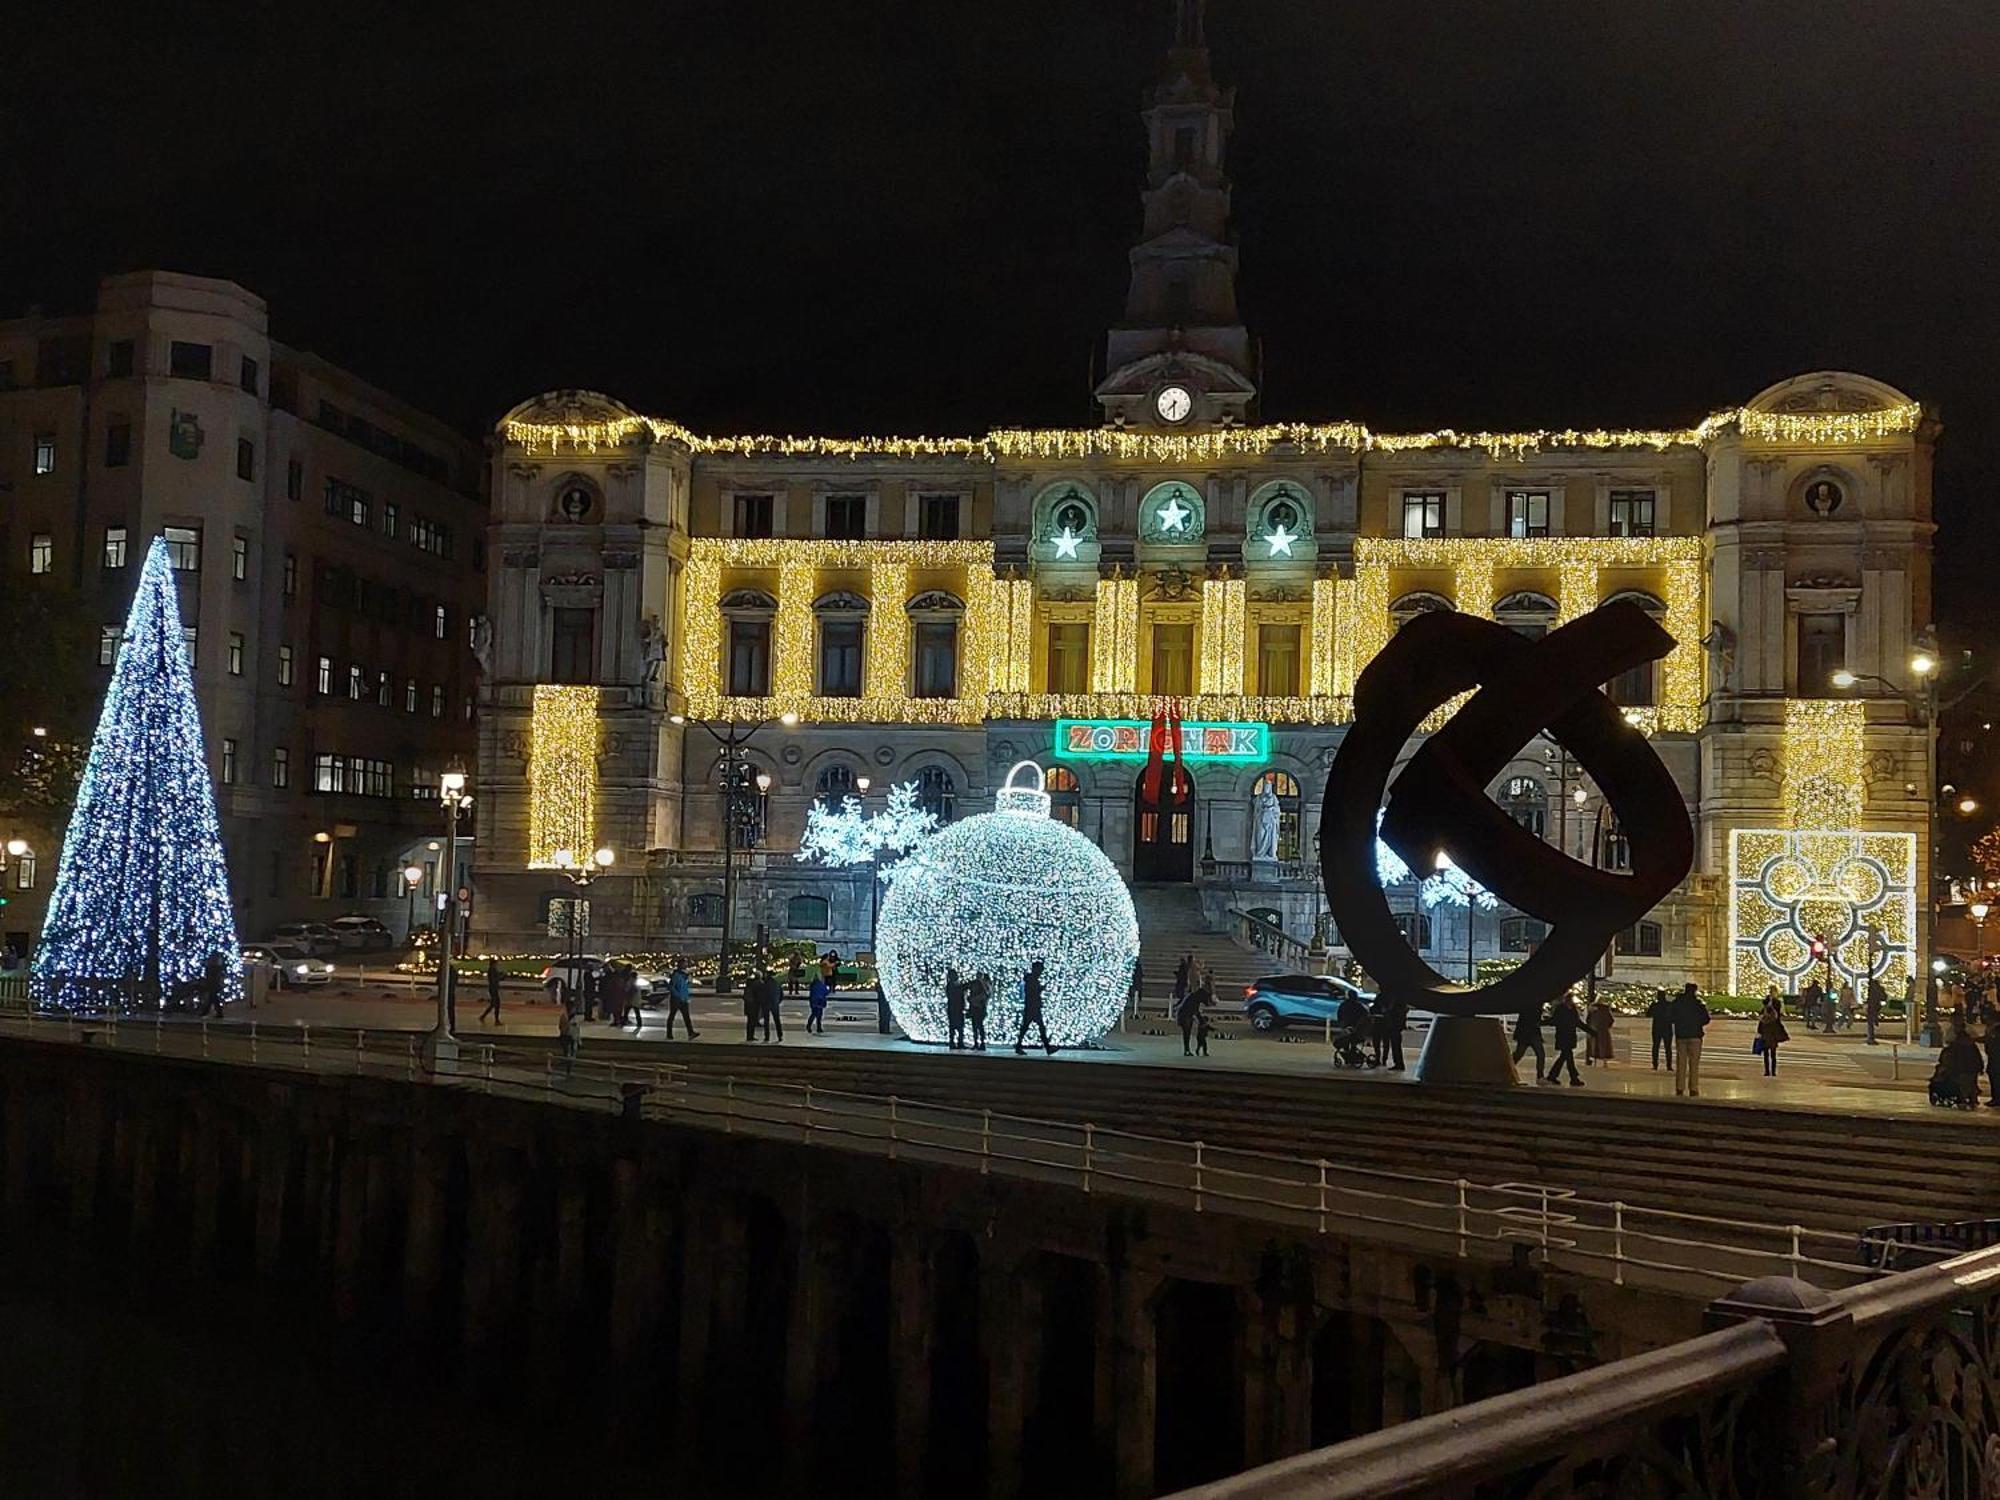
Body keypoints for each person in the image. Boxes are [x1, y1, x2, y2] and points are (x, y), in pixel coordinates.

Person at [1671, 982, 1711, 1097]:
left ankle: (1679, 1087)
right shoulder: (1698, 1004)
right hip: (1695, 1035)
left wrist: (1679, 1023)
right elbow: (1706, 1019)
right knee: (1694, 1064)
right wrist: (1697, 1023)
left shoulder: (1678, 1003)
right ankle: (1693, 1088)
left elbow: (1671, 1016)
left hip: (1681, 1035)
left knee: (1681, 1062)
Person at [1933, 1027, 1984, 1107]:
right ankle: (1969, 1098)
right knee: (1968, 1084)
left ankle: (1967, 1098)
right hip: (1965, 1071)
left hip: (1963, 1071)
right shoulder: (1961, 1047)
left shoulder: (1957, 1047)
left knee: (1966, 1084)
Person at [1014, 959, 1054, 1055]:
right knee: (1038, 1027)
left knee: (1028, 1027)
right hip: (1033, 1007)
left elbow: (1032, 992)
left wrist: (1040, 989)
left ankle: (1019, 1046)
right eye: (1040, 970)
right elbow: (1032, 993)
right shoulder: (1032, 980)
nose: (1041, 972)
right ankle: (1048, 1048)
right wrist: (1040, 990)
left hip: (1031, 1007)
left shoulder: (1031, 979)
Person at [1547, 994, 1589, 1086]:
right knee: (1569, 1058)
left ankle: (1552, 1076)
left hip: (1569, 1036)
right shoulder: (1561, 1009)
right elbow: (1554, 1020)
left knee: (1563, 1058)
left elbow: (1578, 1022)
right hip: (1563, 1036)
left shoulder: (1571, 1009)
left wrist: (1591, 1031)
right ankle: (1573, 1078)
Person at [1511, 999, 1547, 1081]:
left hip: (1527, 1033)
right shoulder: (1534, 1005)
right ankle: (1540, 1076)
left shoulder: (1531, 1003)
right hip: (1529, 1033)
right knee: (1538, 1054)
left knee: (1520, 1054)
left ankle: (1507, 1068)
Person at [1758, 992, 1790, 1077]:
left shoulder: (1764, 1014)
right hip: (1772, 1037)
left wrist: (1759, 1033)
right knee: (1773, 1055)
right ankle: (1773, 1071)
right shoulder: (1774, 1016)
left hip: (1765, 1036)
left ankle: (1767, 1071)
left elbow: (1760, 1025)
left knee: (1766, 1055)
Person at [666, 959, 698, 1039]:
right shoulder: (676, 975)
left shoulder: (684, 975)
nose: (686, 965)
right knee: (672, 1016)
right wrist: (677, 995)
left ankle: (691, 1033)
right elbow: (671, 987)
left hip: (683, 999)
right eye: (684, 963)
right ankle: (669, 1034)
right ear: (680, 965)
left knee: (686, 1017)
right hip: (676, 999)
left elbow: (684, 987)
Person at [1378, 994, 1409, 1072]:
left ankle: (1398, 1063)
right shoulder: (1401, 1002)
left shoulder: (1395, 1003)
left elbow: (1390, 1011)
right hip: (1396, 1026)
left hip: (1393, 1025)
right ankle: (1399, 1063)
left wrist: (1387, 1011)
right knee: (1396, 1045)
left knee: (1395, 1045)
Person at [1174, 979, 1204, 1058]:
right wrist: (1200, 1020)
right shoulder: (1192, 997)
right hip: (1185, 1016)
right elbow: (1194, 1010)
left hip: (1187, 1016)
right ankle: (1186, 1050)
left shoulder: (1192, 996)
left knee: (1187, 1033)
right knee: (1186, 1033)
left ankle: (1187, 1049)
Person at [1647, 990, 1674, 1071]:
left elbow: (1648, 1014)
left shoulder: (1655, 1005)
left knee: (1655, 1047)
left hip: (1657, 1027)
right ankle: (1669, 1065)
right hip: (1667, 1028)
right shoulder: (1669, 1005)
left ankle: (1655, 1064)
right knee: (1668, 1048)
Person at [1586, 995, 1615, 1066]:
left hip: (1594, 1029)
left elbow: (1588, 1020)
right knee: (1604, 1046)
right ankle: (1604, 1062)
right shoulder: (1605, 1009)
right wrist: (1607, 1026)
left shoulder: (1591, 1008)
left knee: (1594, 1045)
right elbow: (1611, 1020)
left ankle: (1594, 1061)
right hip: (1603, 1030)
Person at [945, 966, 967, 1050]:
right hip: (955, 1009)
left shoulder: (953, 985)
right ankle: (955, 1042)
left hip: (956, 1009)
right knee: (955, 1027)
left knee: (957, 1027)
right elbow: (955, 995)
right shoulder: (951, 986)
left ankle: (958, 1042)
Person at [760, 967, 784, 1042]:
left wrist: (762, 1003)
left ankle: (767, 1037)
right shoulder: (776, 983)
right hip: (775, 1003)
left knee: (766, 1021)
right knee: (777, 1020)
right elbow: (781, 994)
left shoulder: (764, 984)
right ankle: (780, 1036)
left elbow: (762, 995)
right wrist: (778, 1001)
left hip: (766, 1004)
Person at [967, 972, 990, 1050]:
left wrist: (972, 1000)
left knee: (978, 1026)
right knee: (977, 1026)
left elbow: (984, 995)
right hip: (976, 1008)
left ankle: (980, 1043)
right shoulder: (979, 984)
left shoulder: (982, 985)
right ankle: (977, 1043)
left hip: (978, 1008)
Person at [480, 956, 504, 1026]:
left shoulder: (492, 969)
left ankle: (484, 1016)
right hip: (493, 988)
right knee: (496, 1004)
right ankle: (496, 1020)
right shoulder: (492, 970)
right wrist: (501, 976)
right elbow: (495, 979)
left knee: (494, 1004)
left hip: (492, 988)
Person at [1865, 976, 1886, 1045]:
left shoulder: (1871, 990)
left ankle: (1870, 1037)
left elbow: (1869, 999)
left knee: (1870, 1022)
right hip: (1876, 1006)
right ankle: (1871, 1037)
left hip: (1871, 1007)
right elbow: (1884, 996)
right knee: (1871, 1020)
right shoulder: (1879, 989)